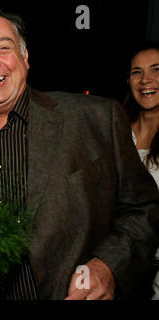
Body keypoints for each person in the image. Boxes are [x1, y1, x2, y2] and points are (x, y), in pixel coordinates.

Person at [0, 6, 159, 300]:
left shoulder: (95, 119)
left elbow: (144, 208)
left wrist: (108, 266)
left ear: (25, 58)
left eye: (3, 47)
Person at [123, 42, 159, 300]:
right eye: (137, 72)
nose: (145, 80)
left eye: (156, 70)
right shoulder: (116, 133)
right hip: (118, 263)